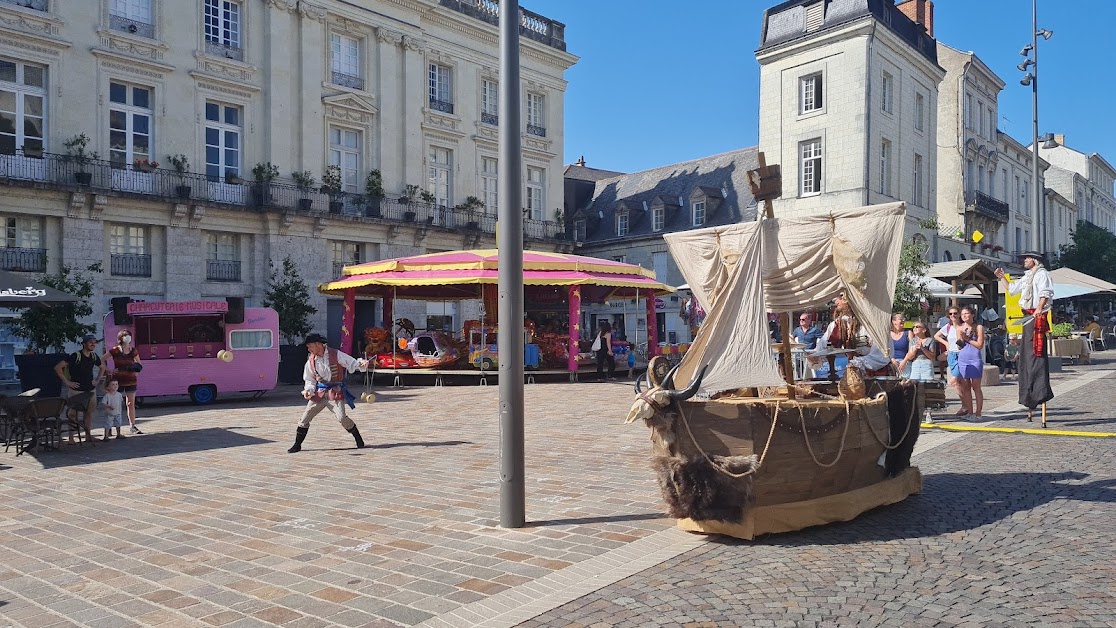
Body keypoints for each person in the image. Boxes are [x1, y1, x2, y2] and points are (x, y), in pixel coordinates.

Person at [288, 333, 371, 453]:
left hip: (335, 391)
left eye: (310, 346)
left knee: (342, 417)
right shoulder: (311, 360)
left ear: (318, 344)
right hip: (320, 393)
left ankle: (357, 438)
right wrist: (308, 390)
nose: (309, 349)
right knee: (305, 417)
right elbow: (309, 379)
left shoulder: (335, 354)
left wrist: (361, 364)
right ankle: (297, 444)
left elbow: (351, 362)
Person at [995, 251, 1055, 415]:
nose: (1024, 260)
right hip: (1027, 316)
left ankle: (1040, 391)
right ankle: (1029, 394)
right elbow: (1012, 289)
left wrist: (1039, 309)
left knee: (1036, 353)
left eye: (1027, 258)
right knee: (1026, 355)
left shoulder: (1042, 274)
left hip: (1036, 316)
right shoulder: (1027, 276)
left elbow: (1045, 293)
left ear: (1035, 260)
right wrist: (1002, 277)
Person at [55, 334, 105, 444]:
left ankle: (88, 436)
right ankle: (71, 438)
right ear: (84, 344)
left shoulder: (94, 356)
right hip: (76, 390)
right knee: (72, 414)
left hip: (90, 390)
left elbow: (102, 367)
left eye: (94, 342)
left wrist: (97, 380)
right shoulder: (75, 356)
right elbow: (58, 367)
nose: (93, 344)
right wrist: (67, 382)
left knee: (89, 413)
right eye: (90, 342)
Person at [105, 328, 143, 434]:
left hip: (131, 380)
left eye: (129, 335)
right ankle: (111, 427)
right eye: (125, 335)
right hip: (117, 381)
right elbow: (101, 360)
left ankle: (133, 426)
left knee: (130, 403)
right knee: (114, 403)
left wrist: (136, 371)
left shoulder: (133, 351)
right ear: (120, 338)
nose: (128, 337)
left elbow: (139, 364)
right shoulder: (115, 350)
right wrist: (109, 371)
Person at [933, 307, 966, 416]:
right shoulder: (948, 327)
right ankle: (965, 405)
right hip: (951, 354)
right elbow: (936, 336)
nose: (953, 315)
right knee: (959, 382)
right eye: (951, 314)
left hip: (961, 354)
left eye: (955, 313)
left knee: (954, 381)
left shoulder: (963, 326)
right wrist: (946, 344)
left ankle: (965, 406)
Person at [955, 306, 986, 420]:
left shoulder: (979, 327)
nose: (964, 316)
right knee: (965, 387)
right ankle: (970, 412)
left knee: (976, 386)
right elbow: (959, 346)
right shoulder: (960, 328)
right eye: (962, 314)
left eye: (967, 313)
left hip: (974, 358)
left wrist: (967, 338)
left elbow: (980, 345)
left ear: (972, 314)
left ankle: (978, 413)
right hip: (963, 358)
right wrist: (961, 338)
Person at [889, 313, 912, 377]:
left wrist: (904, 361)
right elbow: (884, 349)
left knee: (905, 384)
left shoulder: (908, 333)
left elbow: (911, 350)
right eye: (901, 319)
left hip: (905, 362)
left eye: (904, 319)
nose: (903, 320)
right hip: (891, 362)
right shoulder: (888, 334)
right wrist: (892, 359)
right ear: (894, 321)